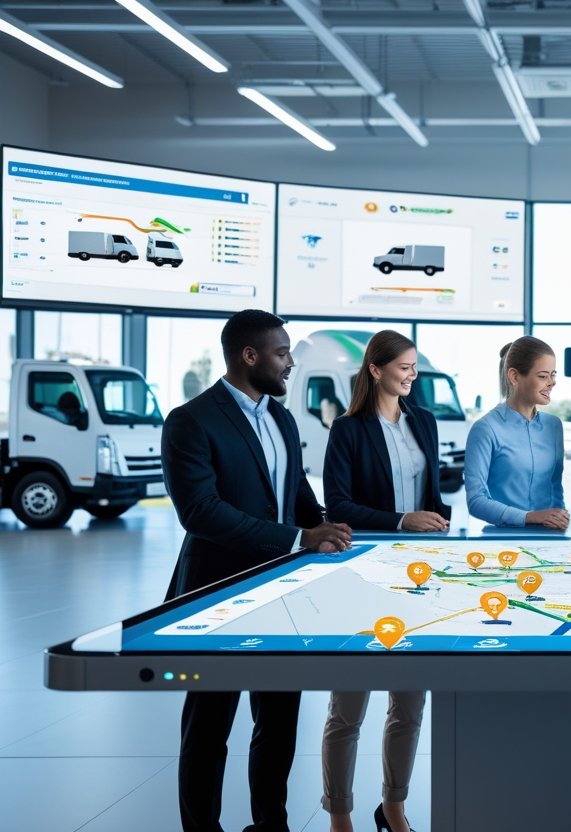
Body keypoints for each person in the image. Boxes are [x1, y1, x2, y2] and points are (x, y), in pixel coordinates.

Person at [161, 308, 352, 832]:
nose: (291, 363)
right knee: (208, 728)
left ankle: (271, 825)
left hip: (283, 596)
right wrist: (298, 538)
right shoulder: (190, 420)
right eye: (283, 352)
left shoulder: (282, 418)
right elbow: (199, 511)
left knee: (279, 722)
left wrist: (333, 528)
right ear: (250, 356)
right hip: (216, 594)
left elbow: (296, 495)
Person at [321, 329, 452, 832]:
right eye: (404, 368)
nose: (412, 377)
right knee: (348, 705)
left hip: (418, 573)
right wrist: (402, 519)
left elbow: (433, 495)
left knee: (409, 702)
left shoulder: (424, 421)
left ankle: (393, 807)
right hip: (365, 572)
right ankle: (339, 815)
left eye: (415, 368)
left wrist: (436, 526)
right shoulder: (348, 430)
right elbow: (339, 506)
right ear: (376, 370)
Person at [465, 336, 568, 529]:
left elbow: (555, 488)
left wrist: (560, 521)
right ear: (514, 376)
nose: (552, 382)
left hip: (550, 539)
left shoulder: (554, 426)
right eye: (543, 376)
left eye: (553, 375)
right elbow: (476, 501)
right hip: (503, 542)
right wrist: (530, 517)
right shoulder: (485, 429)